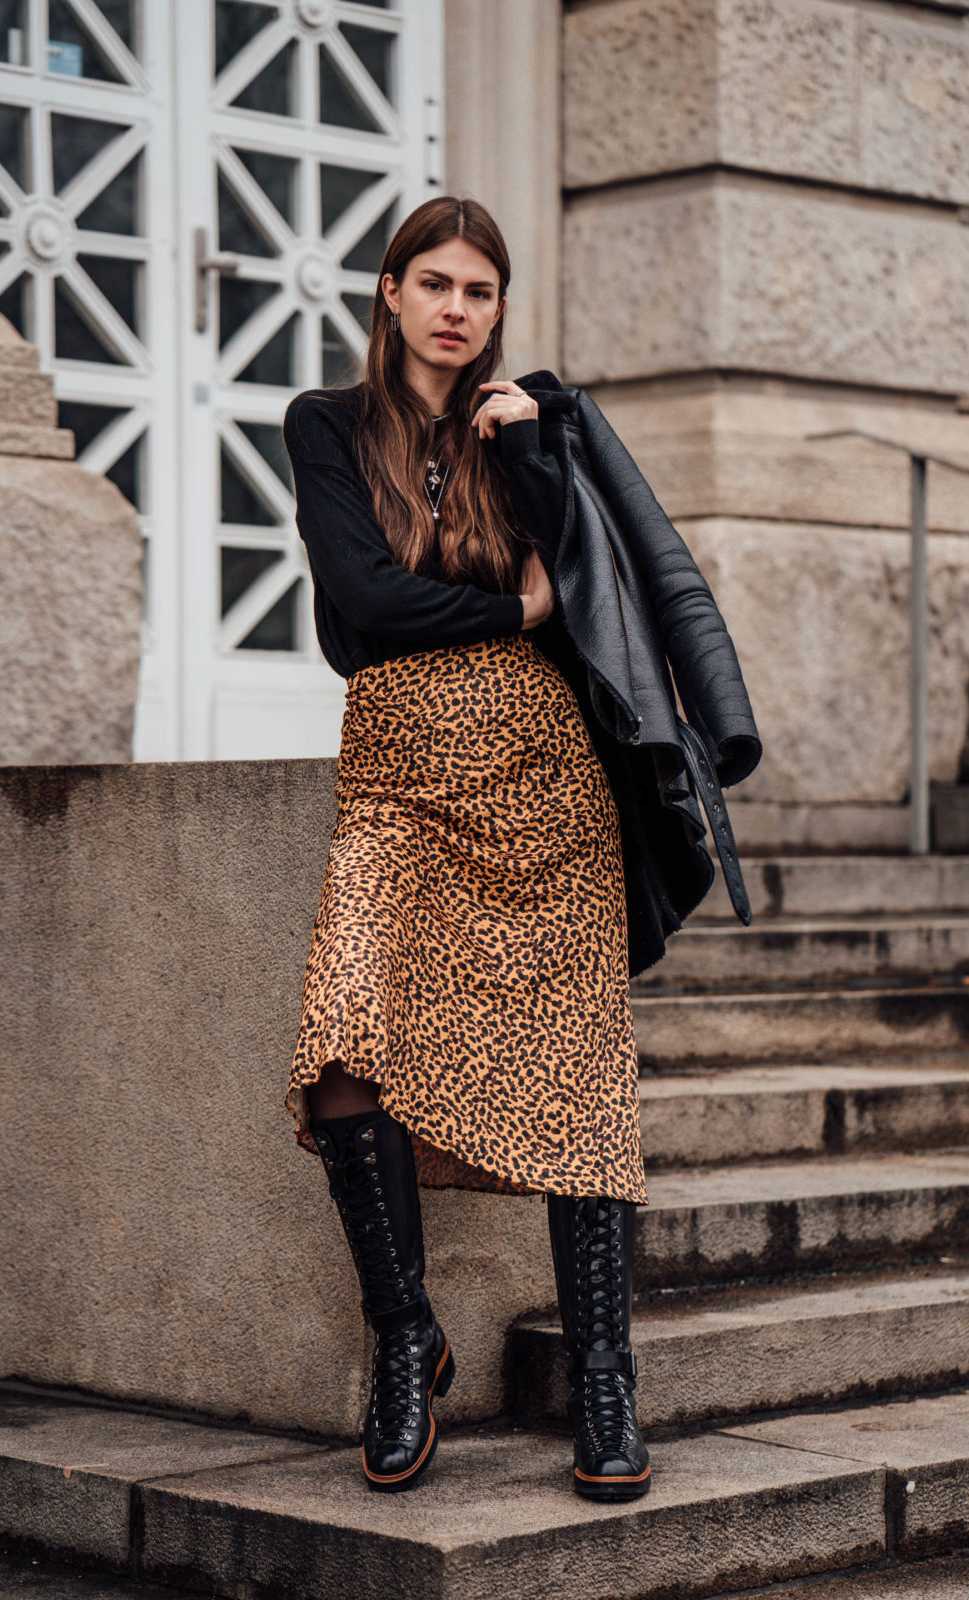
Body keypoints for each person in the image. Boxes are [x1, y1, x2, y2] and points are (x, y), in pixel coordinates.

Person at [283, 195, 654, 1501]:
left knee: (580, 1087)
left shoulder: (528, 430)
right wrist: (508, 602)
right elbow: (361, 598)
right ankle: (406, 1338)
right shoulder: (324, 427)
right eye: (432, 281)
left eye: (479, 290)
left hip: (545, 792)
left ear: (498, 311)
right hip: (394, 782)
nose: (455, 306)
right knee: (340, 1048)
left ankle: (605, 1382)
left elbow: (594, 601)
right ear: (389, 292)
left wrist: (538, 457)